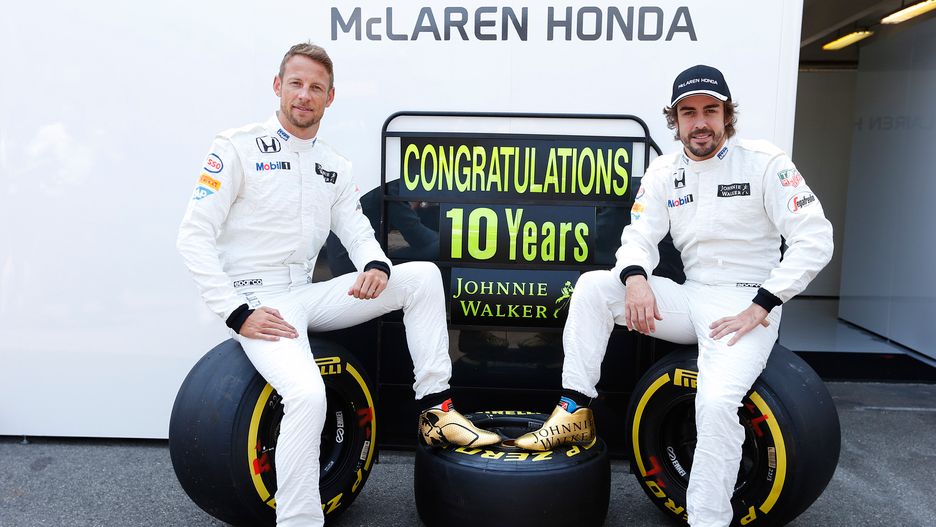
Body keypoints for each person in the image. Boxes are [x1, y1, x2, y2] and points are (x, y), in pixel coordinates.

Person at [176, 42, 498, 527]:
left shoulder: (334, 165)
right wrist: (236, 312)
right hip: (257, 299)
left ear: (330, 97)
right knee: (309, 396)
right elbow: (193, 237)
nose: (304, 95)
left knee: (421, 277)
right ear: (278, 86)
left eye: (316, 88)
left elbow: (358, 231)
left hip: (305, 294)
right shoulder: (236, 147)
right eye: (296, 83)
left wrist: (375, 265)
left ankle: (436, 409)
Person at [516, 65, 833, 526]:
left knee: (715, 404)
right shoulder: (664, 170)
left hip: (746, 304)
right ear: (675, 119)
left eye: (710, 111)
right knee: (594, 287)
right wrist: (635, 279)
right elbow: (638, 236)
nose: (700, 122)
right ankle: (574, 408)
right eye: (689, 113)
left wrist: (765, 302)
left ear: (727, 115)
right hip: (691, 296)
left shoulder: (765, 162)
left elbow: (815, 239)